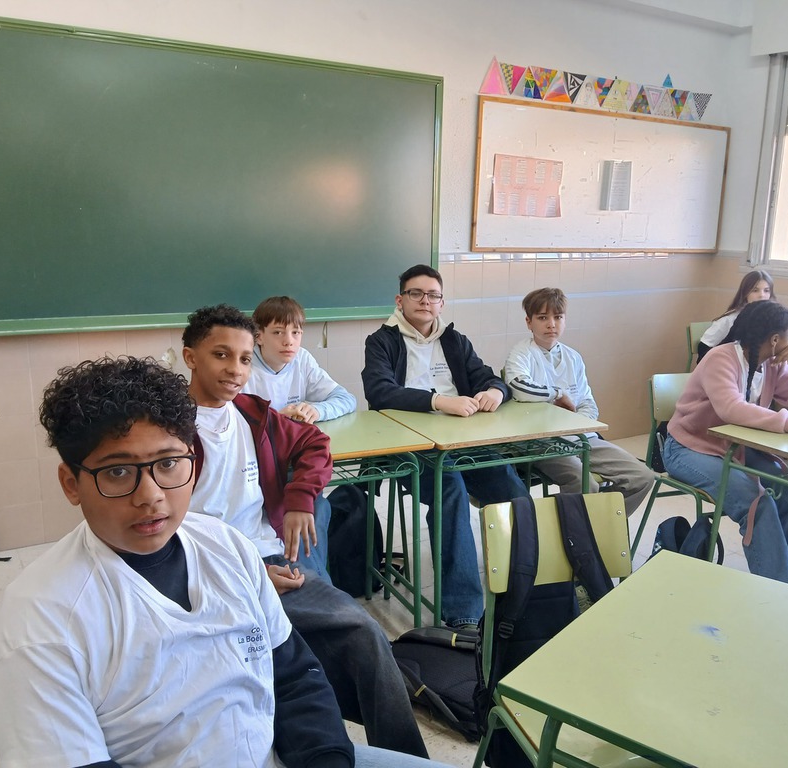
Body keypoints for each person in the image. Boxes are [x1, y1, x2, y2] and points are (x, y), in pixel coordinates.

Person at [0, 356, 448, 768]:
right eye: (118, 471)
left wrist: (325, 758)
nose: (151, 496)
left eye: (168, 464)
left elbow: (293, 678)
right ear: (71, 484)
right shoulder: (42, 620)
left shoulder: (227, 547)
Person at [182, 305, 428, 758]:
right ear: (190, 357)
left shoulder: (252, 415)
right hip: (207, 575)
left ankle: (407, 757)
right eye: (221, 355)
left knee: (364, 631)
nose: (235, 370)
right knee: (255, 662)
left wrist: (300, 500)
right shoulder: (170, 431)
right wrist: (248, 575)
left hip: (272, 560)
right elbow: (164, 534)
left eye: (243, 358)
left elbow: (315, 443)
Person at [362, 264, 530, 629]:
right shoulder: (382, 341)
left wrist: (494, 391)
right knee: (449, 488)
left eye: (433, 295)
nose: (425, 301)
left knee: (509, 484)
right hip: (409, 445)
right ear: (400, 300)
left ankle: (528, 586)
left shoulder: (454, 340)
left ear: (442, 303)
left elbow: (486, 376)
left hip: (461, 439)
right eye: (416, 293)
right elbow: (379, 391)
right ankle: (463, 613)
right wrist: (438, 401)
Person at [663, 300, 788, 592]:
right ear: (774, 340)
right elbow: (731, 409)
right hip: (688, 448)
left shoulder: (771, 364)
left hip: (737, 449)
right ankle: (781, 595)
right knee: (757, 502)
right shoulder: (721, 358)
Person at [503, 287, 655, 516]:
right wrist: (558, 394)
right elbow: (520, 388)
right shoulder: (521, 353)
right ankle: (577, 530)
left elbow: (588, 403)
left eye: (558, 317)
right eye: (542, 318)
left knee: (642, 477)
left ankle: (600, 527)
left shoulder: (573, 357)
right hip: (543, 443)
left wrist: (575, 425)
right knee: (585, 484)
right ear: (529, 322)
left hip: (581, 438)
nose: (551, 324)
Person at [245, 295, 356, 423]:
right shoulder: (242, 364)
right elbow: (231, 419)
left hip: (293, 434)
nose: (289, 341)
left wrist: (317, 410)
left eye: (295, 332)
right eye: (278, 332)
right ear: (258, 337)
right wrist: (275, 419)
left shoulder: (302, 359)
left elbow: (346, 399)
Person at [697, 269, 788, 363]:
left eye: (766, 290)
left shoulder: (783, 316)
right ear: (745, 293)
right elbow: (703, 349)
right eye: (755, 290)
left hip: (770, 370)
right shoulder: (731, 319)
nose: (762, 295)